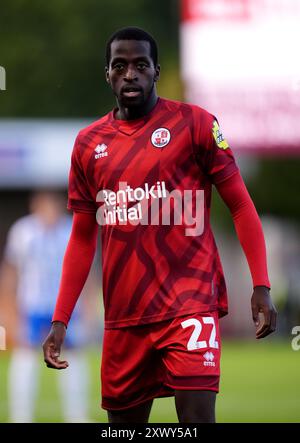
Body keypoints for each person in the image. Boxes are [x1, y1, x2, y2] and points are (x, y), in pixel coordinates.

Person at [42, 27, 277, 423]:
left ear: (156, 71)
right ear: (107, 74)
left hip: (189, 304)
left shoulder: (196, 124)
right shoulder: (88, 144)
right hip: (125, 317)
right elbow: (83, 240)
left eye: (140, 65)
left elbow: (240, 205)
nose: (130, 74)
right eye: (120, 66)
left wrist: (261, 285)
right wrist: (60, 319)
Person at [0, 191, 89, 422]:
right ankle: (21, 416)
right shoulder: (23, 231)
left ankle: (76, 415)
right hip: (32, 305)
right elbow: (11, 270)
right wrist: (9, 308)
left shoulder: (69, 229)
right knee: (26, 354)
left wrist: (87, 307)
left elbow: (86, 270)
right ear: (35, 206)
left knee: (73, 355)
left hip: (65, 307)